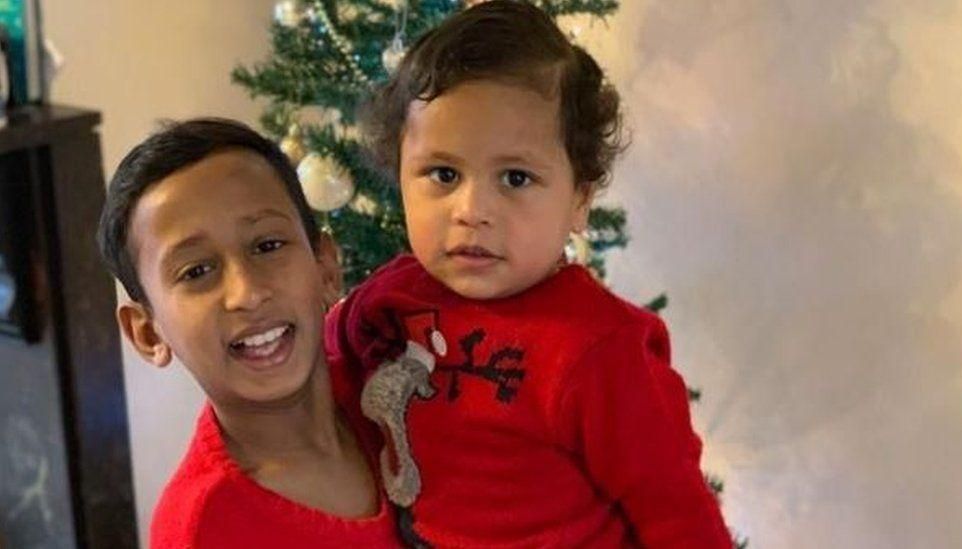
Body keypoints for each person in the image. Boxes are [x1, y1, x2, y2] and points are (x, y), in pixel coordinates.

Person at [325, 1, 735, 547]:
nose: (472, 209)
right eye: (442, 173)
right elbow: (318, 395)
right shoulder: (383, 303)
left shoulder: (600, 350)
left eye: (515, 178)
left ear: (579, 200)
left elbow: (677, 514)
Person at [96, 118, 401, 548]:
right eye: (196, 271)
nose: (249, 293)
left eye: (267, 246)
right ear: (147, 333)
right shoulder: (202, 529)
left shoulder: (396, 393)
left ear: (327, 268)